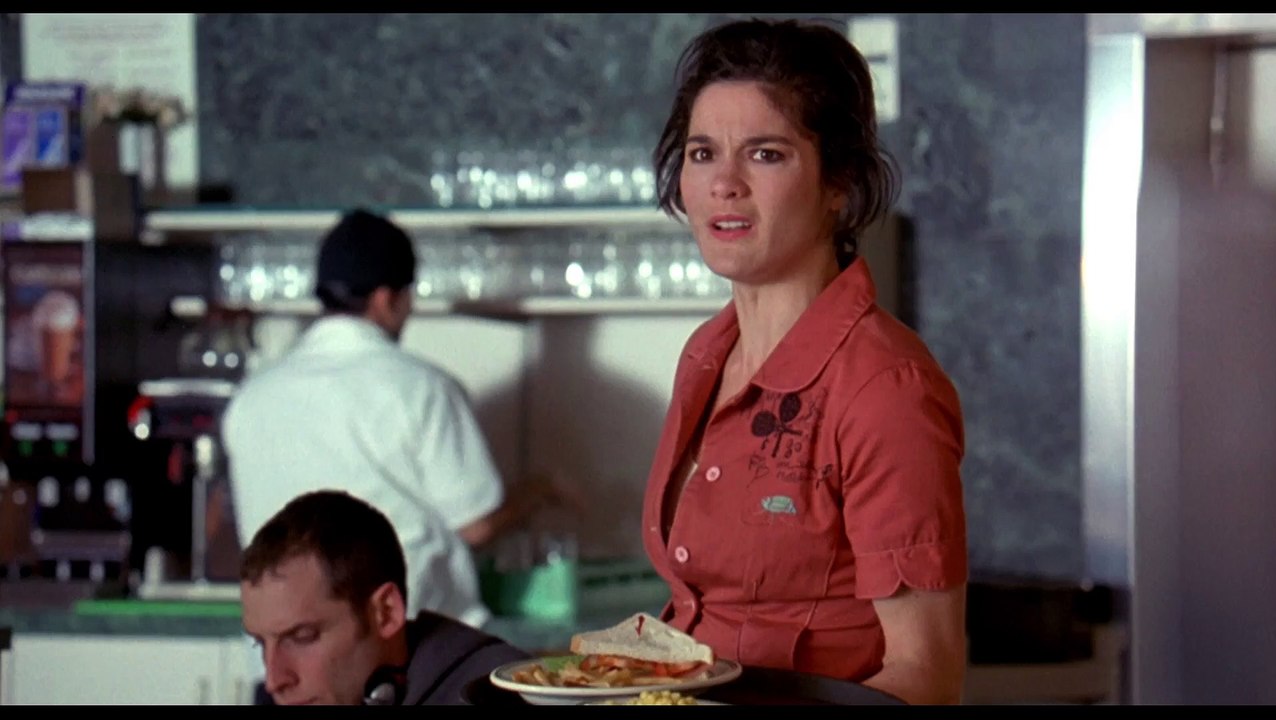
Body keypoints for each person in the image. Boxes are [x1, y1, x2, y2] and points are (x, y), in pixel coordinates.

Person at [640, 18, 968, 705]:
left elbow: (927, 676)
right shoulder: (705, 355)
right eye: (702, 153)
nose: (724, 183)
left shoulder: (885, 387)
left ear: (838, 183)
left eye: (766, 154)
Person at [223, 207, 559, 629]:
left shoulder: (252, 398)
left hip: (285, 647)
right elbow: (477, 525)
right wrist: (538, 491)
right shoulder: (422, 388)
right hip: (401, 643)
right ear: (387, 299)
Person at [239, 490, 530, 705]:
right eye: (261, 643)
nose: (274, 680)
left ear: (386, 612)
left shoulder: (503, 695)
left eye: (303, 637)